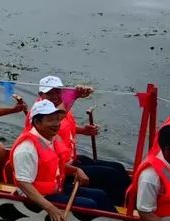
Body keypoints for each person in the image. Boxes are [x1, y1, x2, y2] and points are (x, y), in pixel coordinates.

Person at [30, 75, 128, 205]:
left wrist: (83, 130)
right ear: (40, 94)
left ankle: (129, 203)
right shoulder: (39, 115)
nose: (54, 96)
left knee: (118, 168)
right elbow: (53, 127)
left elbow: (61, 126)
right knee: (111, 176)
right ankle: (121, 211)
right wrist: (75, 95)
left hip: (71, 158)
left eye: (57, 91)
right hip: (60, 169)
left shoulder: (58, 108)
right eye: (49, 93)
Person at [7, 99, 114, 218]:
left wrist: (75, 170)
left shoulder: (49, 138)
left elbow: (55, 164)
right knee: (89, 204)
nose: (57, 123)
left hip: (55, 189)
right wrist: (50, 208)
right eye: (51, 120)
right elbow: (23, 183)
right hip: (36, 198)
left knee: (100, 195)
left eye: (58, 119)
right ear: (37, 122)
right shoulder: (26, 149)